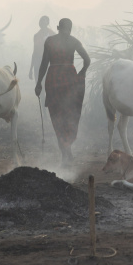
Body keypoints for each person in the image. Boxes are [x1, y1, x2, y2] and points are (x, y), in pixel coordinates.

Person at [35, 18, 91, 165]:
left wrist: (38, 83)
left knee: (57, 115)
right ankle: (67, 150)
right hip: (70, 79)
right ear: (70, 28)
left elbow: (43, 64)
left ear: (58, 27)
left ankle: (65, 152)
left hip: (53, 79)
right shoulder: (74, 41)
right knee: (70, 114)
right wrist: (82, 73)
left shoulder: (50, 41)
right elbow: (87, 59)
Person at [29, 16, 55, 80]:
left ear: (47, 23)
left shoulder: (53, 34)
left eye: (44, 22)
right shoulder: (36, 36)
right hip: (38, 62)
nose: (42, 23)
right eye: (41, 22)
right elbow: (34, 52)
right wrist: (31, 69)